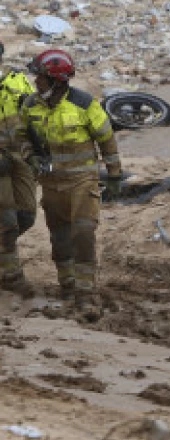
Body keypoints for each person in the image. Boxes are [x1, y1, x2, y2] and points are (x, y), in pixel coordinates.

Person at [20, 49, 122, 311]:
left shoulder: (84, 104)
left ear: (55, 81)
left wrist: (114, 174)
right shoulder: (31, 106)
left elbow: (106, 139)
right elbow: (23, 138)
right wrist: (30, 157)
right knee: (60, 237)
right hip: (51, 184)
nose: (35, 82)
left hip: (82, 184)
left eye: (40, 78)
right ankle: (67, 287)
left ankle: (85, 293)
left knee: (84, 234)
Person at [0, 42, 37, 297]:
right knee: (7, 221)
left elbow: (34, 116)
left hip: (20, 156)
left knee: (27, 215)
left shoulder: (18, 82)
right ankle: (11, 277)